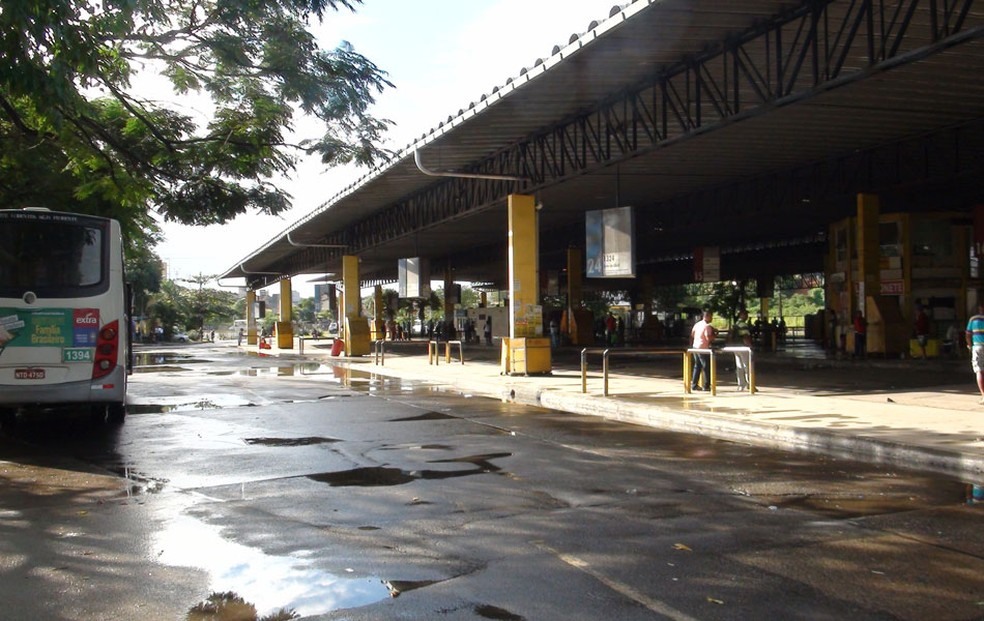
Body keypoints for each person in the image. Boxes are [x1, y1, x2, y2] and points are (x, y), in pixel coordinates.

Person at [690, 309, 716, 391]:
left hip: (695, 347)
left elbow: (692, 335)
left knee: (697, 366)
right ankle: (706, 385)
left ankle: (694, 385)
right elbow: (708, 337)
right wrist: (715, 335)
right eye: (711, 316)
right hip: (703, 348)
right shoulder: (707, 326)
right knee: (706, 367)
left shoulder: (697, 324)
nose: (712, 318)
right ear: (707, 316)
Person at [965, 303, 984, 404]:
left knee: (979, 371)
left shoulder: (973, 319)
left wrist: (969, 346)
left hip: (977, 347)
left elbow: (968, 335)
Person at [732, 309, 752, 391]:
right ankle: (750, 384)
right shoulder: (743, 324)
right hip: (743, 347)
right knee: (747, 366)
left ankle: (741, 385)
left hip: (735, 347)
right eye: (745, 314)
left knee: (739, 366)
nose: (747, 316)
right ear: (741, 315)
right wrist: (749, 345)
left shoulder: (735, 324)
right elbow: (745, 336)